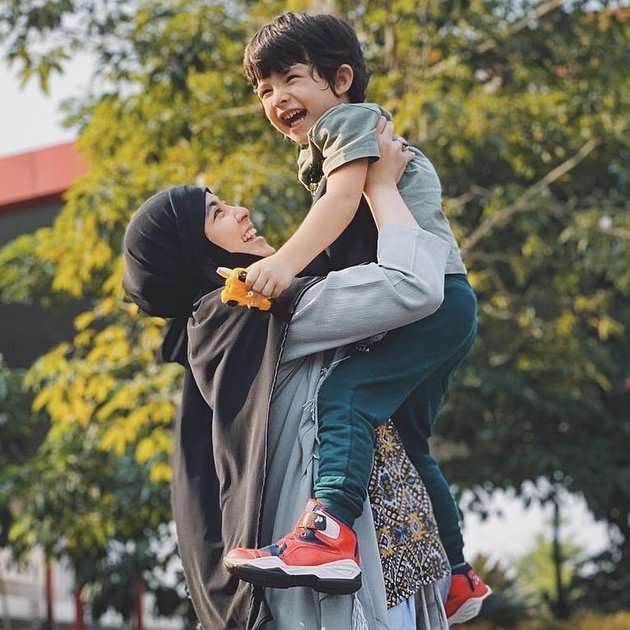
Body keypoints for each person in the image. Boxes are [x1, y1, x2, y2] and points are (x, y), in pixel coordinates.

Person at [122, 121, 451, 629]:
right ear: (193, 252)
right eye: (216, 213)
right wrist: (380, 185)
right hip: (347, 585)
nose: (241, 211)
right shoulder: (243, 310)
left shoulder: (255, 309)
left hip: (392, 563)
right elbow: (414, 286)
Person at [233, 11, 491, 625]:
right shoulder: (324, 146)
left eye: (290, 79)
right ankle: (456, 574)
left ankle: (328, 533)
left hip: (430, 302)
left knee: (345, 395)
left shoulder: (349, 125)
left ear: (341, 78)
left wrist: (284, 266)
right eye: (264, 90)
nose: (276, 99)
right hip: (446, 307)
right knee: (406, 441)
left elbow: (347, 203)